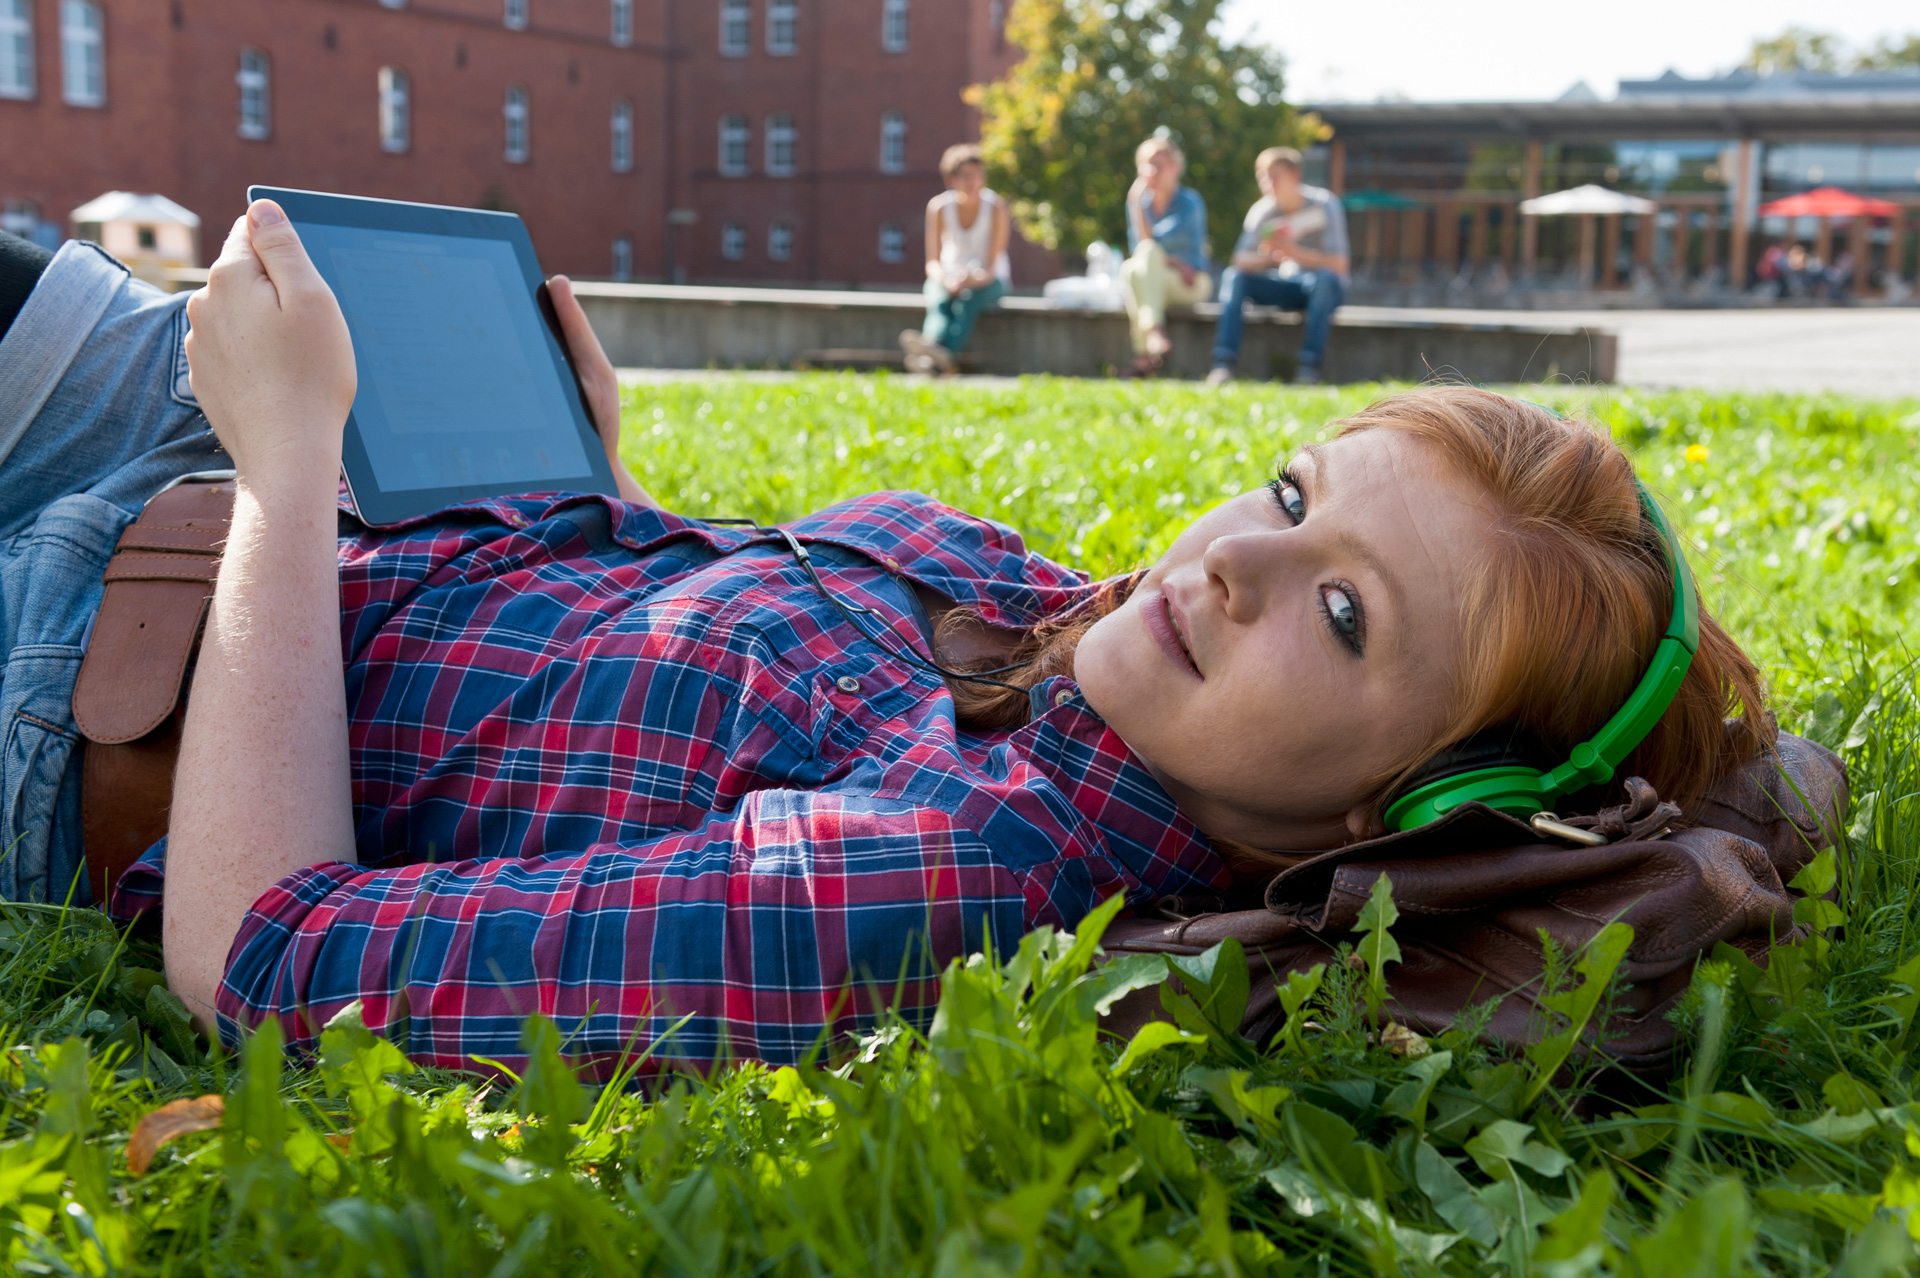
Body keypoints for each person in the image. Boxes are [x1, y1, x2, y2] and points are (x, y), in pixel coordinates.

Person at [0, 207, 1773, 1080]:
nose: (1240, 560)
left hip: (89, 678)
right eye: (1294, 489)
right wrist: (608, 487)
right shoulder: (1096, 647)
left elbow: (258, 952)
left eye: (1342, 611)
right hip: (303, 493)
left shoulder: (950, 889)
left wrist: (293, 463)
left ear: (1403, 803)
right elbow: (688, 665)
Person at [1208, 147, 1350, 388]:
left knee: (1325, 280)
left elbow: (1339, 264)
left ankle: (1308, 367)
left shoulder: (1326, 204)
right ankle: (1223, 363)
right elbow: (1239, 260)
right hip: (1285, 283)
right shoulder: (1263, 210)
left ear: (1295, 175)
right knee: (1234, 277)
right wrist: (1271, 258)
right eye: (1262, 177)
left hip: (1321, 287)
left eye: (1274, 176)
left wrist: (1295, 252)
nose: (1267, 184)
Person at [899, 145, 1013, 376]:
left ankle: (933, 355)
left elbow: (992, 266)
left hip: (989, 280)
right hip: (949, 276)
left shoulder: (996, 208)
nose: (973, 182)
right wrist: (947, 280)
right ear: (951, 179)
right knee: (939, 300)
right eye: (966, 176)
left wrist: (969, 281)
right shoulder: (939, 207)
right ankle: (934, 354)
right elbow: (932, 262)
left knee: (966, 304)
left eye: (977, 176)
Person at [1120, 137, 1212, 377]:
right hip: (1156, 280)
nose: (1151, 172)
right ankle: (1150, 340)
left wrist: (1135, 207)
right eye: (1146, 165)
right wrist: (1136, 207)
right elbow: (1144, 251)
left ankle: (1145, 349)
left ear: (1175, 168)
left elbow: (1152, 246)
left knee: (1135, 268)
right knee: (1131, 270)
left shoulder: (1190, 203)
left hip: (1191, 283)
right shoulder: (1142, 205)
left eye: (1159, 164)